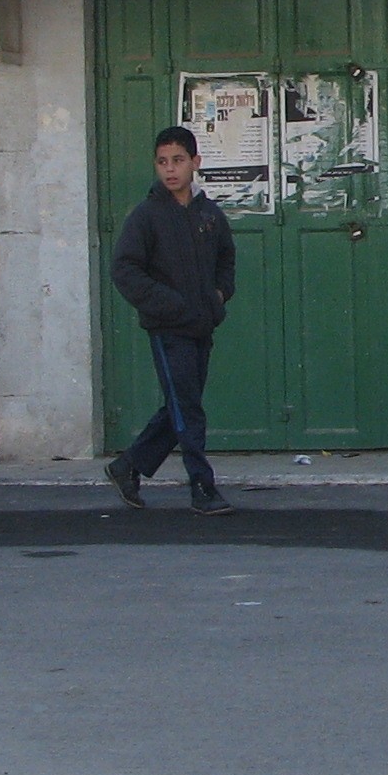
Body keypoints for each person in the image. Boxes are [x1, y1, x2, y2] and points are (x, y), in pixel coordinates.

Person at [105, 125, 239, 515]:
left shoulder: (209, 215)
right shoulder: (146, 216)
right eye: (162, 162)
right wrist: (165, 303)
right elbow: (125, 269)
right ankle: (202, 486)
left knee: (182, 404)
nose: (170, 169)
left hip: (202, 324)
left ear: (195, 163)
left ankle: (128, 465)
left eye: (178, 160)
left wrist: (218, 295)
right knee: (187, 409)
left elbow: (226, 259)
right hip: (168, 328)